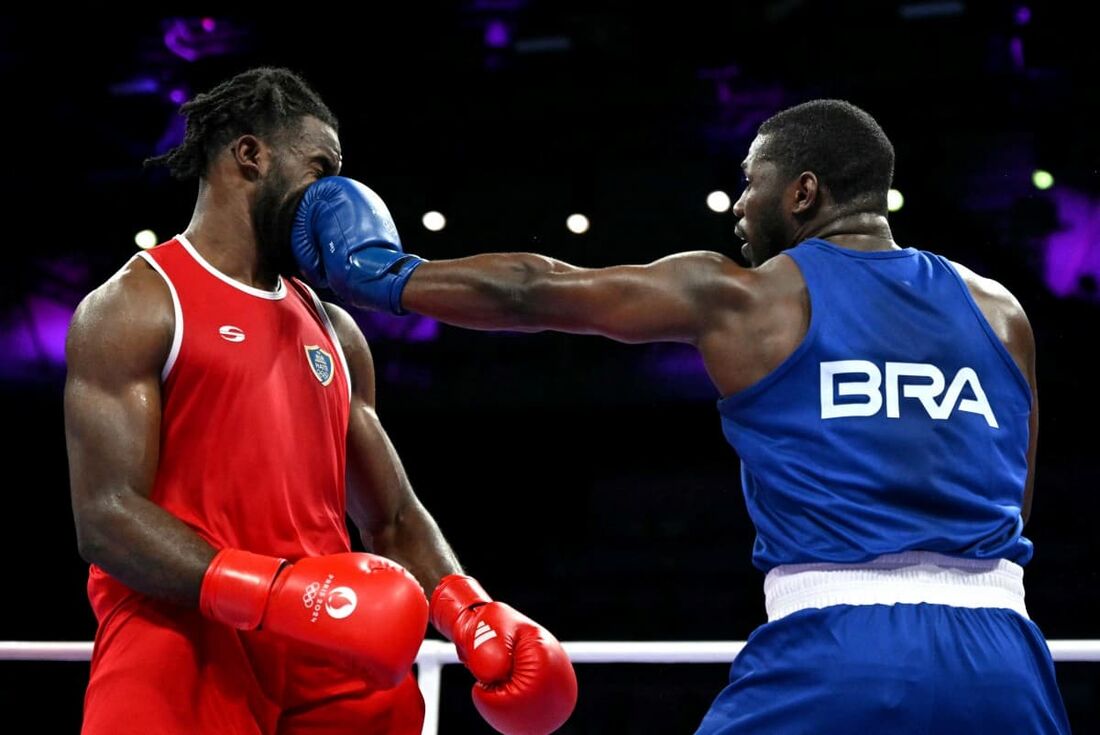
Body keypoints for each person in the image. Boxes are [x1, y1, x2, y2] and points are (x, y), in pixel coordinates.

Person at [292, 99, 1072, 733]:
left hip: (840, 653)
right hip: (1005, 661)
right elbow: (1015, 501)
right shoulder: (1000, 312)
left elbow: (537, 289)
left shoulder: (746, 296)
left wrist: (387, 276)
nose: (738, 204)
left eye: (751, 181)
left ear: (802, 192)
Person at [63, 66, 576, 735]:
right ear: (251, 155)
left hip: (326, 636)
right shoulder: (139, 301)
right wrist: (273, 593)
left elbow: (391, 515)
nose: (334, 192)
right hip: (184, 631)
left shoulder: (335, 328)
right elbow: (106, 515)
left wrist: (467, 609)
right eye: (321, 167)